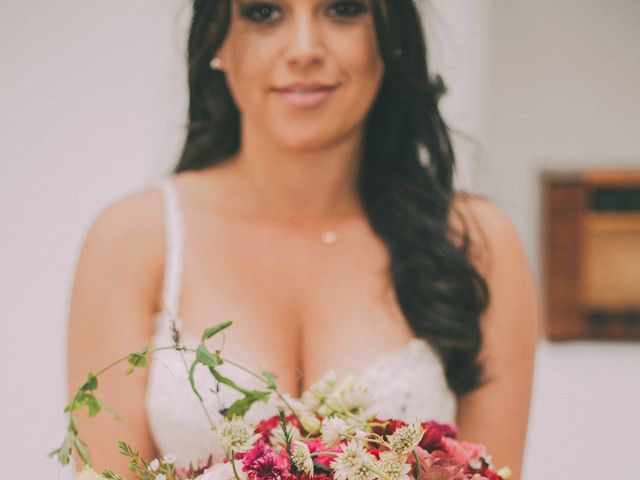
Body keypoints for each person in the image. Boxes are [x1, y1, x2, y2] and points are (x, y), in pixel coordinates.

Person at [67, 1, 539, 479]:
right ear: (218, 43)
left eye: (343, 9)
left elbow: (493, 469)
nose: (305, 49)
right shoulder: (133, 241)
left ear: (390, 35)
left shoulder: (477, 243)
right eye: (264, 13)